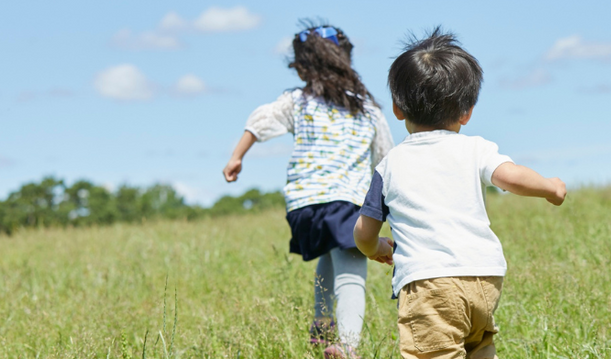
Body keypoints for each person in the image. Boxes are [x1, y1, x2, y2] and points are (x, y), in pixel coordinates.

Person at [352, 28, 567, 359]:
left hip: (430, 283)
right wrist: (550, 186)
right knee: (479, 345)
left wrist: (376, 247)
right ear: (467, 111)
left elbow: (364, 232)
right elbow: (511, 177)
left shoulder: (390, 165)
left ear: (397, 107)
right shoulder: (475, 148)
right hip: (485, 278)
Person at [223, 24, 394, 359]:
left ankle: (321, 330)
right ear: (346, 62)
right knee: (351, 270)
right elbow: (387, 159)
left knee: (331, 257)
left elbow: (261, 120)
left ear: (302, 67)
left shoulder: (298, 101)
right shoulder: (367, 110)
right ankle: (347, 345)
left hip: (303, 206)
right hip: (344, 199)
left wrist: (236, 156)